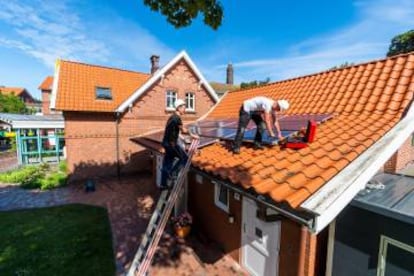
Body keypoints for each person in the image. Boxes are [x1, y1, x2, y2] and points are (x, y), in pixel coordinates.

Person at [160, 99, 199, 190]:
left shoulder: (171, 117)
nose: (185, 109)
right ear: (179, 108)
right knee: (185, 159)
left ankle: (163, 184)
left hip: (166, 143)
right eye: (184, 107)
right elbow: (183, 130)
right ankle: (172, 173)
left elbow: (174, 132)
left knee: (167, 164)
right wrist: (193, 135)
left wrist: (182, 139)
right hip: (172, 144)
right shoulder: (177, 118)